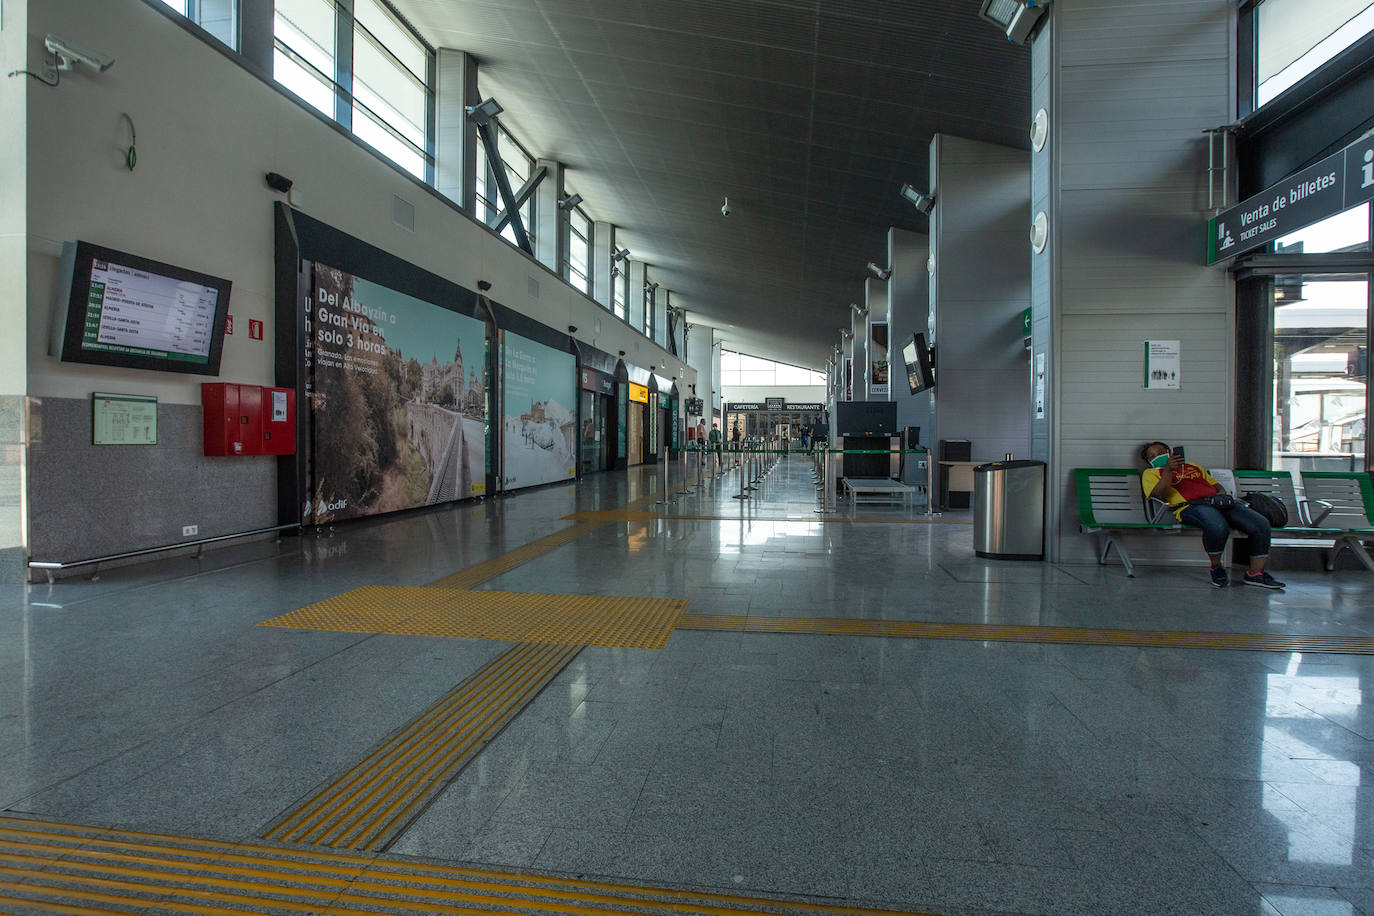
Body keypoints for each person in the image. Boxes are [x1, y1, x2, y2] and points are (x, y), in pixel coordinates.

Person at [1139, 441, 1285, 589]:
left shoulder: (1193, 467)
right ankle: (1216, 567)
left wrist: (1220, 496)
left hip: (1216, 502)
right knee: (1217, 525)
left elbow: (1216, 485)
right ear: (1149, 461)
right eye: (1153, 456)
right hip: (1189, 506)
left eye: (1161, 452)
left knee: (1260, 523)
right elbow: (1160, 494)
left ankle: (1255, 574)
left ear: (1170, 452)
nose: (1158, 456)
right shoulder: (1150, 474)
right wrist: (1168, 471)